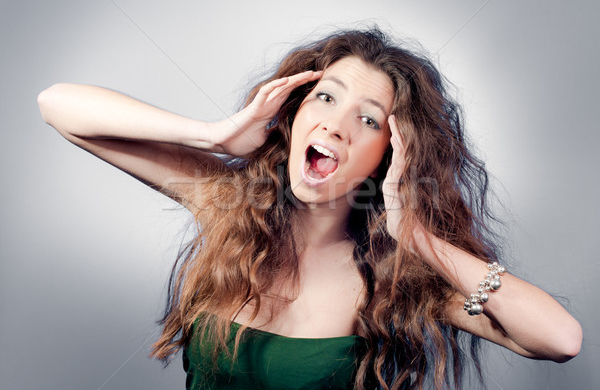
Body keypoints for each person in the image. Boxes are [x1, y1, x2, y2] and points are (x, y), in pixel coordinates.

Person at [37, 28, 582, 390]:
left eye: (368, 120)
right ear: (294, 116)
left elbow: (560, 340)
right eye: (325, 97)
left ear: (388, 156)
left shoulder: (403, 283)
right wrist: (218, 136)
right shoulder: (230, 210)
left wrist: (417, 236)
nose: (334, 125)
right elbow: (59, 105)